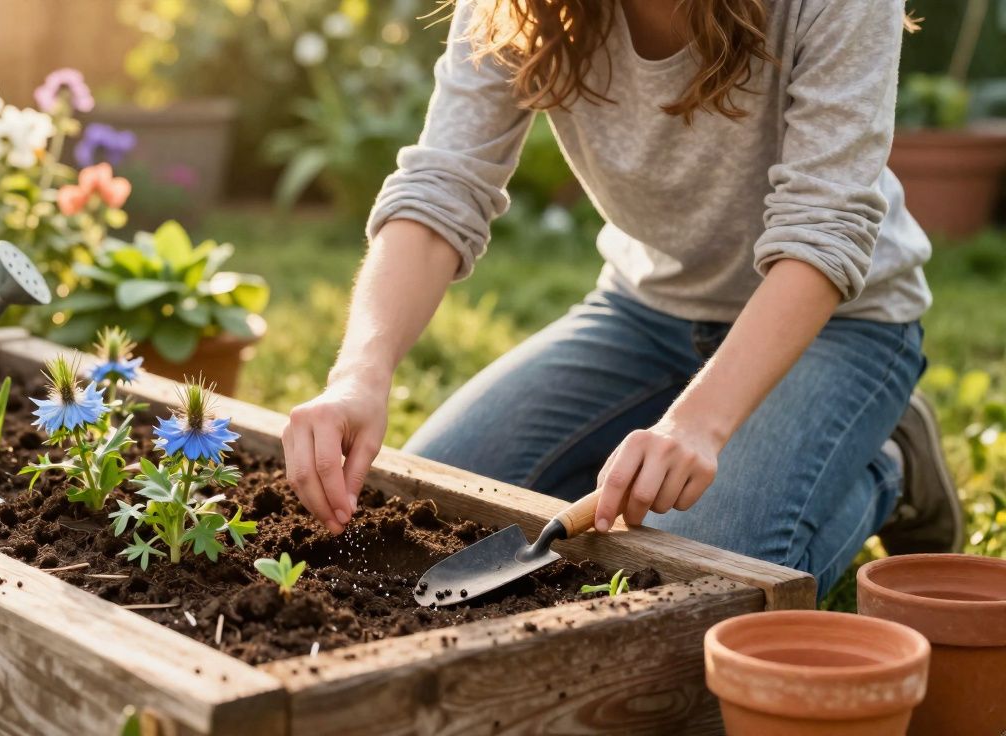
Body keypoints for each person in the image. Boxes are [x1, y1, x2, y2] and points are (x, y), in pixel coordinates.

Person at [280, 0, 964, 598]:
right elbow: (444, 183)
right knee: (438, 509)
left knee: (701, 576)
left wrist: (698, 424)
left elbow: (824, 229)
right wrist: (359, 373)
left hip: (839, 325)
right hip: (642, 313)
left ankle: (887, 463)